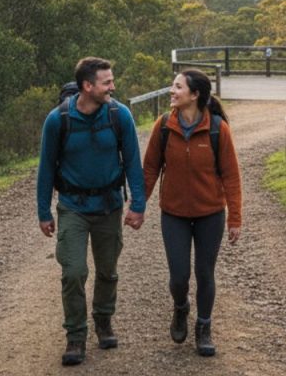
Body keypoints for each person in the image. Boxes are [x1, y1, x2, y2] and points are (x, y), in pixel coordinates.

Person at [37, 57, 146, 366]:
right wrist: (43, 212)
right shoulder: (58, 120)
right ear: (87, 86)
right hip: (73, 207)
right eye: (106, 82)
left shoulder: (119, 115)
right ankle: (75, 336)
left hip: (109, 206)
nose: (113, 86)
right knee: (73, 272)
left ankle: (103, 320)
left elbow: (133, 162)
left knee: (108, 270)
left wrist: (138, 205)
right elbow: (46, 169)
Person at [142, 68, 242, 357]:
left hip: (210, 213)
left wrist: (235, 218)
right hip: (174, 214)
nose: (172, 91)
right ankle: (181, 307)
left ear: (195, 94)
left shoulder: (217, 129)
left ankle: (204, 327)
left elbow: (231, 176)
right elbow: (150, 168)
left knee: (204, 273)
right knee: (179, 276)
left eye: (178, 87)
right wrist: (138, 205)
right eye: (173, 86)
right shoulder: (164, 125)